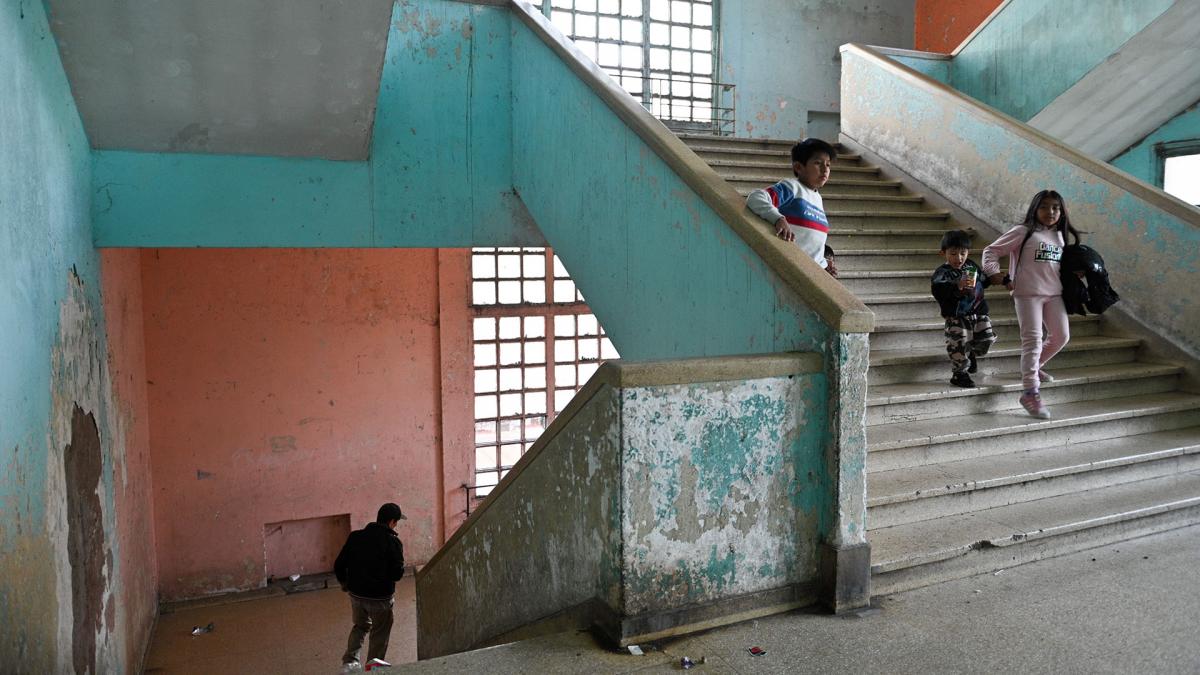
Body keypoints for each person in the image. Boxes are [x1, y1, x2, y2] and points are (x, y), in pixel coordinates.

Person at [982, 190, 1080, 418]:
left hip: (1055, 294)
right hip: (1027, 294)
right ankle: (1030, 392)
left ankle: (1033, 369)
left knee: (1061, 336)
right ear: (1035, 209)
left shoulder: (1059, 235)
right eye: (1044, 206)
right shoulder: (1023, 232)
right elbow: (991, 251)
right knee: (1033, 341)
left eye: (1055, 207)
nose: (1050, 212)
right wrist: (996, 273)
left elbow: (1056, 265)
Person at [746, 138, 838, 277]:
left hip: (813, 272)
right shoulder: (792, 187)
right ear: (798, 167)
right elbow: (756, 197)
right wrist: (778, 219)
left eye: (828, 164)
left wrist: (824, 264)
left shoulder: (817, 198)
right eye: (818, 163)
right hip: (792, 270)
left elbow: (809, 242)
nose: (825, 169)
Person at [335, 503, 407, 671]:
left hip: (356, 595)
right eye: (396, 522)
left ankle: (350, 662)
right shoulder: (393, 542)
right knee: (379, 633)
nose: (396, 525)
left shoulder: (355, 537)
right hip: (381, 599)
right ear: (391, 522)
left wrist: (345, 584)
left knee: (360, 626)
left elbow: (339, 565)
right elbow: (397, 575)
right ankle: (373, 668)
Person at [931, 229, 996, 388]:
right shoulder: (942, 273)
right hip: (956, 316)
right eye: (953, 254)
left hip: (978, 312)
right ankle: (959, 374)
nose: (958, 258)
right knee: (958, 345)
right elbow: (938, 291)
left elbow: (984, 281)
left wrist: (996, 278)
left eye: (962, 253)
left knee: (987, 338)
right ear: (943, 253)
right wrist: (956, 288)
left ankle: (972, 351)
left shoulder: (971, 266)